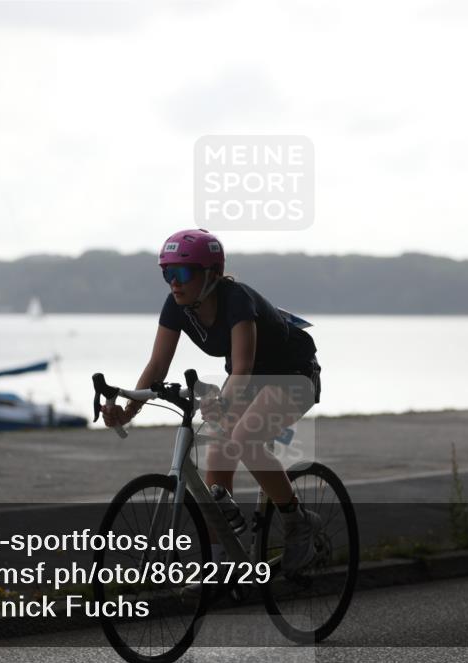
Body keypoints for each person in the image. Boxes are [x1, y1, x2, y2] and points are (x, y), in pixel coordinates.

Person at [100, 228, 323, 575]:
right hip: (247, 379)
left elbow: (244, 368)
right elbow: (158, 366)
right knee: (216, 454)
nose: (174, 282)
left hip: (292, 374)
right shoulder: (178, 305)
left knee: (246, 439)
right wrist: (128, 409)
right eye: (167, 273)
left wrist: (223, 404)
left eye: (183, 273)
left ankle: (297, 521)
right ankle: (222, 564)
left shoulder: (237, 300)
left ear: (212, 274)